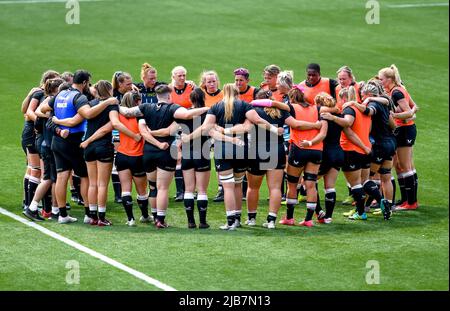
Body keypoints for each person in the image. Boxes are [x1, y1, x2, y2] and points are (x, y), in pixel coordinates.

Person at [119, 84, 209, 228]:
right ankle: (160, 220)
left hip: (148, 152)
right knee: (163, 188)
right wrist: (207, 108)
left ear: (156, 96)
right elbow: (187, 115)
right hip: (165, 152)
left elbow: (128, 112)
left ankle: (154, 216)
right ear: (169, 96)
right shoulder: (173, 108)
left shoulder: (146, 107)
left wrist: (115, 104)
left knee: (153, 187)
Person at [194, 83, 278, 230]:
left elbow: (206, 127)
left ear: (223, 94)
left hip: (223, 150)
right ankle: (238, 218)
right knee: (238, 184)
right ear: (237, 92)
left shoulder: (216, 107)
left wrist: (190, 137)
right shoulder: (244, 105)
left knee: (227, 187)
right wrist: (273, 129)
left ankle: (230, 221)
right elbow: (257, 121)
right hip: (241, 149)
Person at [39, 70, 118, 224]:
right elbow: (86, 115)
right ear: (83, 83)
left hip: (57, 141)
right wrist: (107, 102)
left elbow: (42, 109)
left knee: (62, 176)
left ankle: (62, 214)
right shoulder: (78, 97)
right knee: (85, 177)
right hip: (74, 141)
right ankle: (89, 214)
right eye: (88, 83)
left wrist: (55, 118)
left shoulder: (60, 94)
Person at [246, 89, 321, 228]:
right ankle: (271, 220)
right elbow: (296, 124)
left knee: (252, 187)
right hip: (277, 149)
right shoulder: (281, 112)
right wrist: (315, 125)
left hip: (257, 150)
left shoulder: (252, 109)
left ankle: (251, 218)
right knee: (275, 188)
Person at [342, 80, 397, 220]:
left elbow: (368, 111)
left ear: (367, 93)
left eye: (362, 94)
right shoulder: (385, 103)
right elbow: (393, 125)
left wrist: (354, 103)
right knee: (386, 176)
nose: (361, 96)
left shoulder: (373, 104)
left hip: (379, 145)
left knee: (366, 179)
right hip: (390, 143)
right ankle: (388, 206)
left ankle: (362, 209)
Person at [278, 85, 328, 227]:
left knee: (292, 184)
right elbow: (323, 131)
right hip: (316, 150)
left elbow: (297, 126)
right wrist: (314, 128)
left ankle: (289, 217)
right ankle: (308, 219)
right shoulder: (317, 109)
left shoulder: (291, 108)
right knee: (311, 185)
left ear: (292, 97)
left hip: (299, 148)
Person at [321, 86, 372, 221]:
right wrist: (365, 147)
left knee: (355, 184)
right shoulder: (362, 109)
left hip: (350, 150)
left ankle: (360, 212)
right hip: (364, 148)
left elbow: (348, 126)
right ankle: (376, 204)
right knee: (363, 182)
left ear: (343, 98)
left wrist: (332, 116)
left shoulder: (347, 110)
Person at [22, 78, 65, 221]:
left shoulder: (44, 103)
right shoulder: (54, 103)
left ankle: (46, 209)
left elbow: (37, 122)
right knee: (51, 179)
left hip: (44, 144)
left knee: (48, 178)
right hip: (51, 145)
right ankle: (39, 208)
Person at [378, 65, 418, 210]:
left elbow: (409, 111)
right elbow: (414, 107)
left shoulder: (396, 93)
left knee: (405, 166)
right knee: (400, 166)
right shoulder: (399, 88)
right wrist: (409, 114)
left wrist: (394, 115)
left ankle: (411, 202)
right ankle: (405, 200)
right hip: (403, 129)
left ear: (389, 79)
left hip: (405, 130)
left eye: (381, 79)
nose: (380, 81)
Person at [115, 91, 151, 226]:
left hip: (121, 155)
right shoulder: (142, 116)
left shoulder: (119, 115)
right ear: (137, 102)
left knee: (125, 189)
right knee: (142, 191)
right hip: (138, 156)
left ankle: (130, 219)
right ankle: (145, 215)